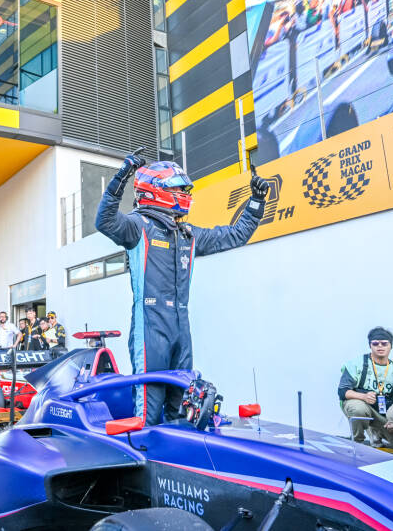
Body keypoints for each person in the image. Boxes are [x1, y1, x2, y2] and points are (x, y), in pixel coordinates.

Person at [96, 151, 268, 425]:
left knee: (183, 409)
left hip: (181, 327)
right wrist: (121, 176)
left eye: (184, 189)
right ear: (155, 190)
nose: (184, 194)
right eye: (177, 188)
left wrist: (256, 202)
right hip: (149, 327)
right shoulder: (138, 227)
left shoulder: (187, 234)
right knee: (148, 414)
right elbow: (104, 221)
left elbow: (235, 235)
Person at [338, 327, 393, 450]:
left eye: (384, 343)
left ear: (391, 346)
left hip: (382, 414)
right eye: (375, 343)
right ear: (370, 345)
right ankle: (357, 443)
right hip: (361, 406)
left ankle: (376, 430)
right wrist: (363, 396)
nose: (380, 346)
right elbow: (342, 392)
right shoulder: (356, 364)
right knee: (358, 408)